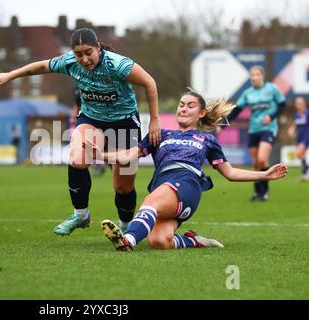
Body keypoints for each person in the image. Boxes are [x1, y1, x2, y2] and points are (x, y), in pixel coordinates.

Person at [0, 28, 161, 235]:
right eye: (79, 54)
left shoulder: (118, 64)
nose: (84, 59)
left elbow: (149, 83)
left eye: (88, 52)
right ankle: (81, 215)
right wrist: (10, 75)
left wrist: (154, 120)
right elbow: (41, 66)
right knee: (77, 158)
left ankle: (125, 227)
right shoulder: (69, 62)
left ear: (98, 47)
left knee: (122, 186)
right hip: (91, 118)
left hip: (124, 122)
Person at [84, 91, 288, 251]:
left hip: (186, 183)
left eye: (190, 106)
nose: (183, 108)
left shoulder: (207, 139)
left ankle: (127, 240)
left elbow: (230, 173)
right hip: (165, 186)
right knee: (159, 240)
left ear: (201, 113)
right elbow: (130, 154)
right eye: (181, 104)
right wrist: (101, 155)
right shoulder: (160, 134)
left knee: (151, 203)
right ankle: (194, 241)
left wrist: (264, 174)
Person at [223, 65, 286, 201]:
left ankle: (264, 192)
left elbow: (282, 104)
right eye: (252, 75)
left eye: (257, 74)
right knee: (257, 163)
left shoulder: (272, 89)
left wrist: (272, 116)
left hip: (268, 128)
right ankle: (258, 193)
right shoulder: (248, 93)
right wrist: (223, 124)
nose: (254, 77)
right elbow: (237, 110)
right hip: (254, 130)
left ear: (262, 76)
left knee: (263, 159)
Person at [287, 97, 309, 181]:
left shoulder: (307, 113)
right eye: (296, 103)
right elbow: (296, 124)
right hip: (299, 137)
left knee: (299, 153)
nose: (297, 105)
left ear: (303, 103)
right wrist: (292, 129)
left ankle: (306, 170)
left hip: (306, 136)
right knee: (300, 156)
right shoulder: (296, 114)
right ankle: (305, 172)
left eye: (299, 103)